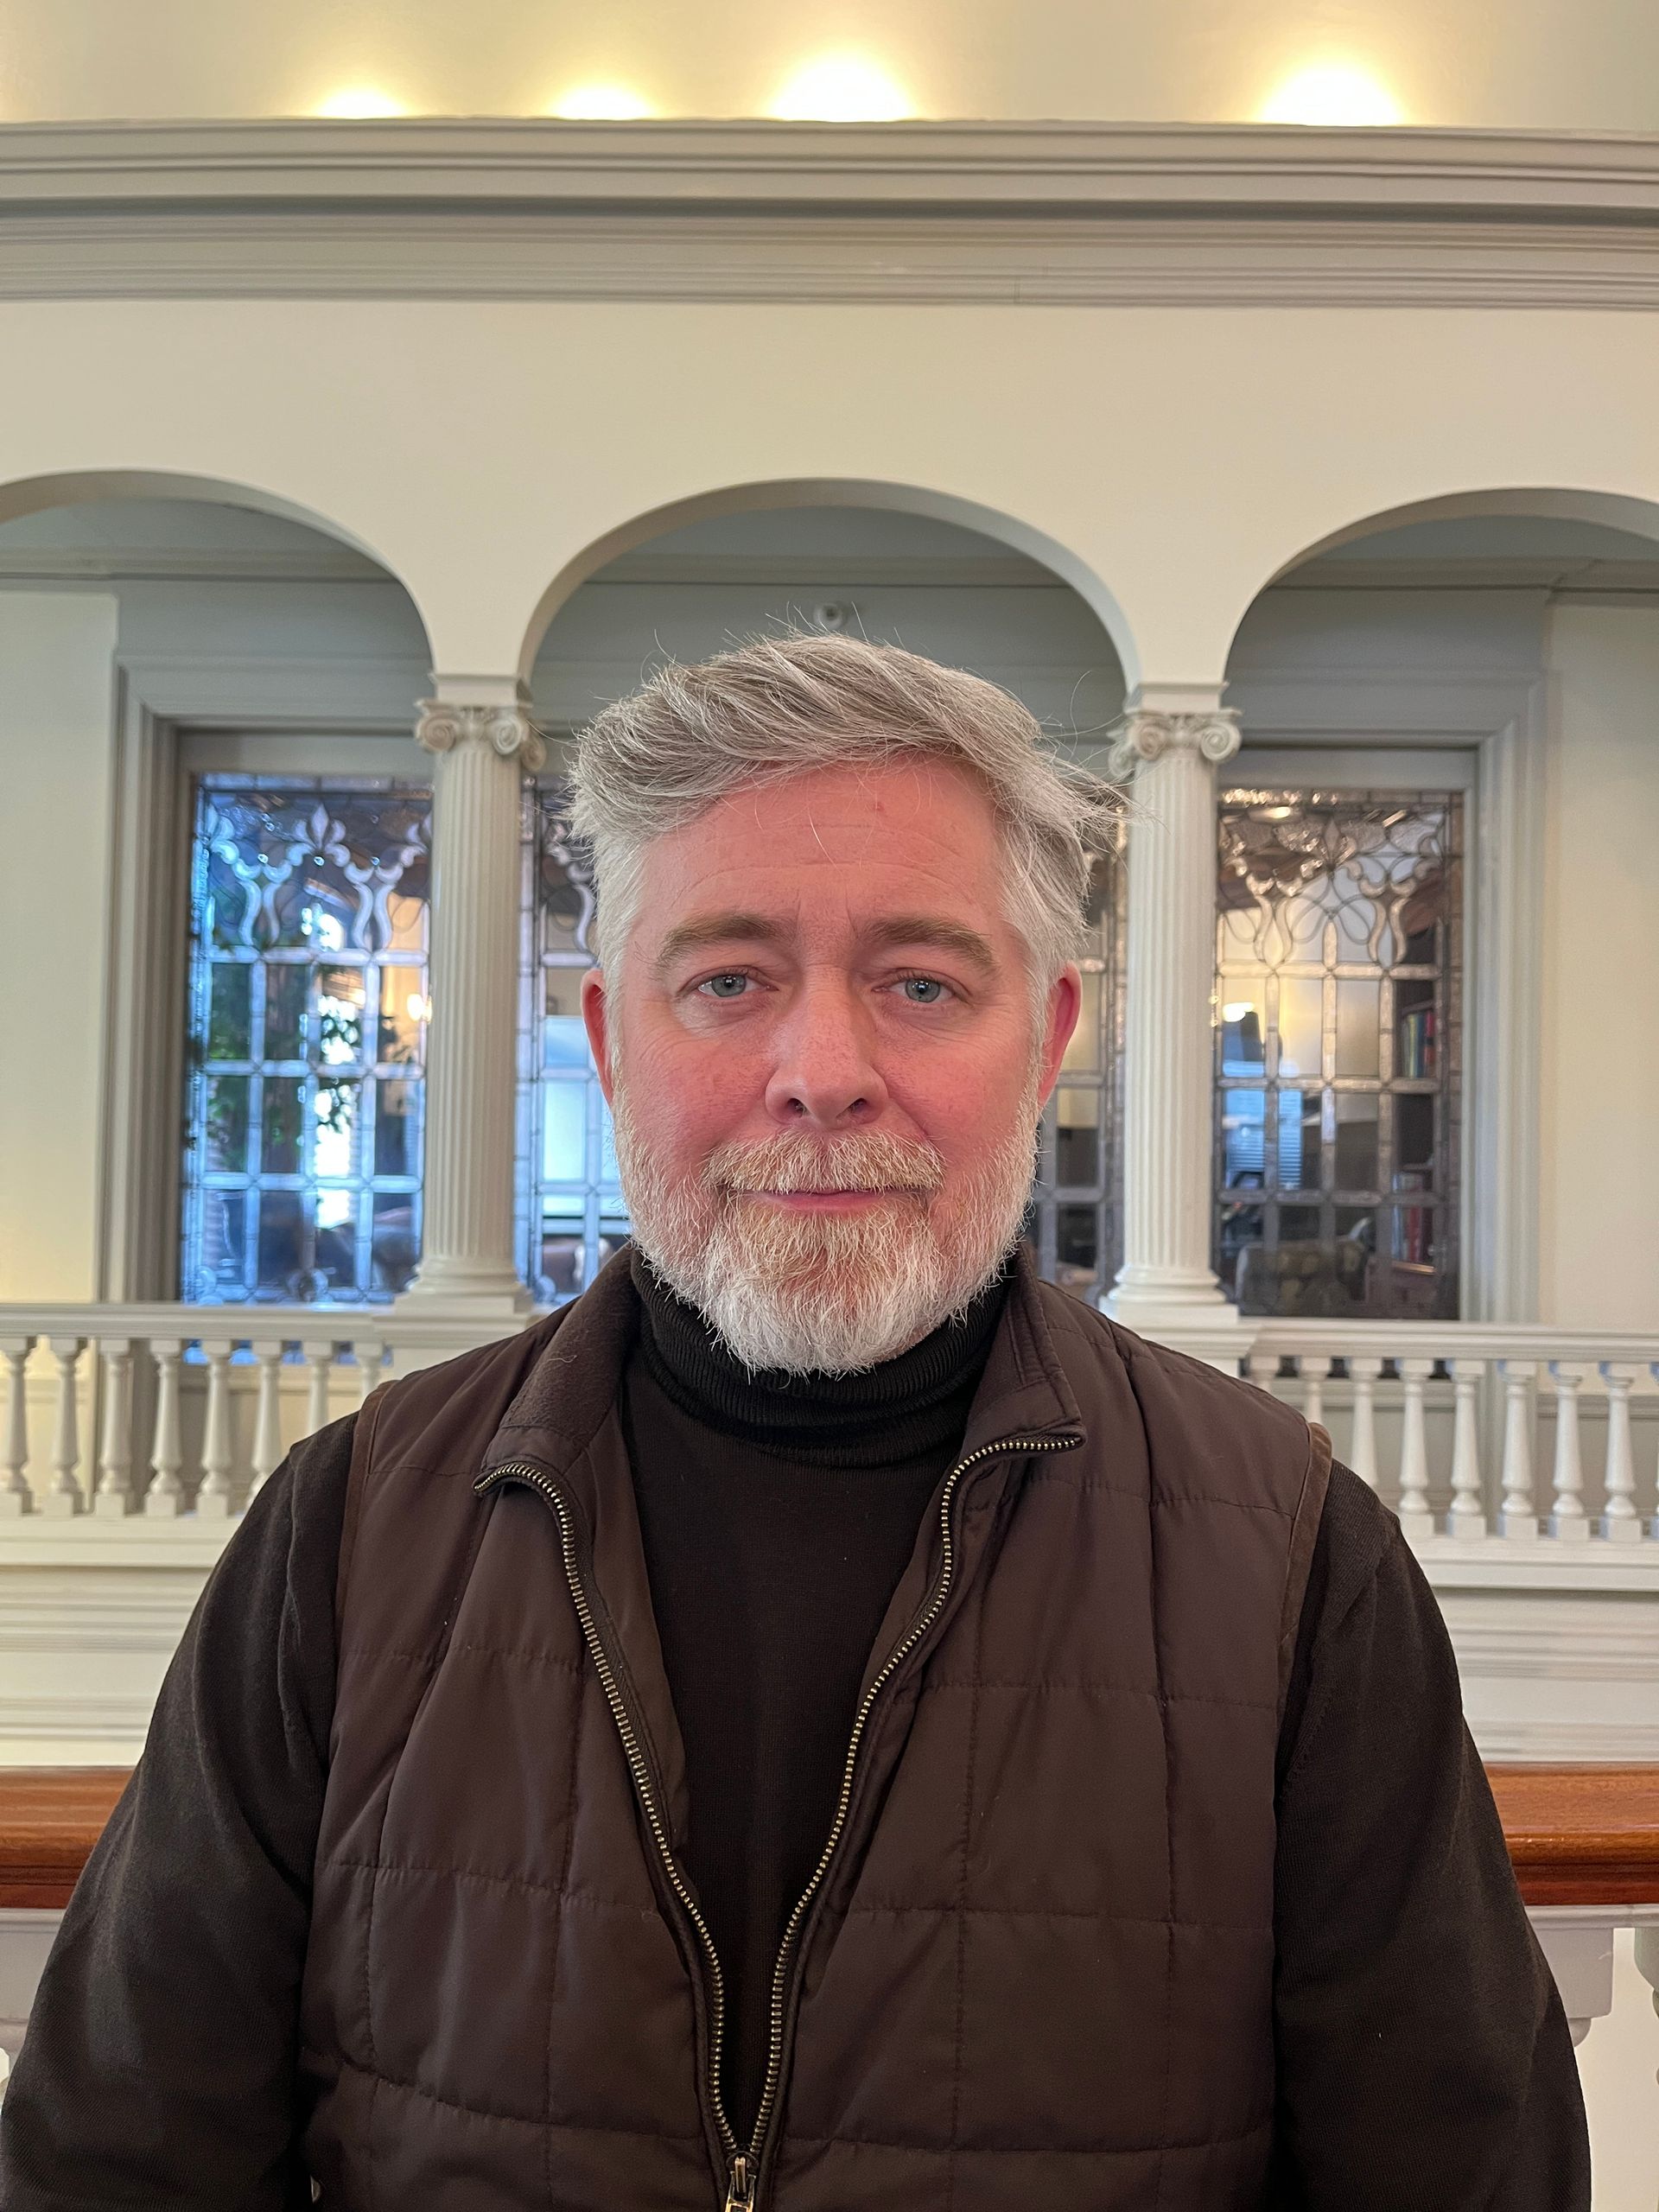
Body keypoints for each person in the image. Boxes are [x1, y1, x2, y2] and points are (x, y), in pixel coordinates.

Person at [1, 635, 1588, 2211]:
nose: (822, 1073)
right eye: (730, 981)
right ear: (615, 1038)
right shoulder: (348, 1532)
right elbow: (115, 2163)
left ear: (1042, 1041)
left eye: (919, 982)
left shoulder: (1299, 1560)